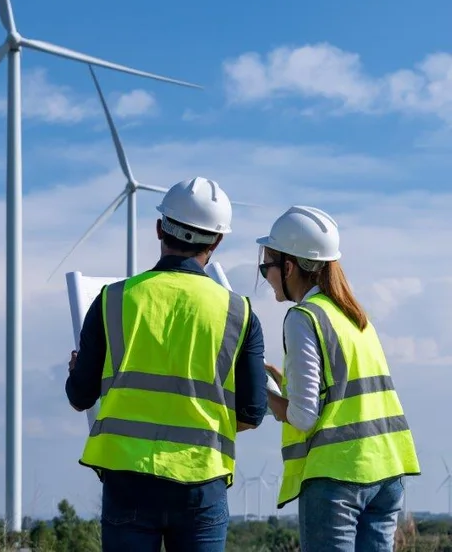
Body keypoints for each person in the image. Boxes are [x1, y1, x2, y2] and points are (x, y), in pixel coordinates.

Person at [66, 176, 268, 551]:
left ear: (159, 227)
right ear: (218, 240)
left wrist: (76, 371)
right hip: (201, 484)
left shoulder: (112, 300)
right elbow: (252, 413)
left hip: (128, 483)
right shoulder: (239, 313)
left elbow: (80, 396)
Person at [258, 205, 420, 552]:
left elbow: (304, 416)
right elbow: (341, 390)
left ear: (289, 266)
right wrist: (285, 382)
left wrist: (262, 391)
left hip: (339, 477)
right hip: (387, 470)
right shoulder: (356, 317)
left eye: (266, 265)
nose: (265, 275)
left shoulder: (303, 317)